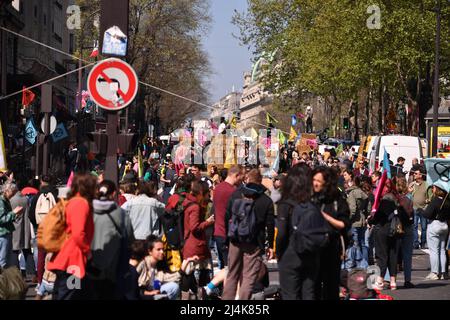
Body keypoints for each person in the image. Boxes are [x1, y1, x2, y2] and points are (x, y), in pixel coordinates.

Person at [222, 169, 275, 300]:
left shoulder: (236, 194)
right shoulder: (266, 200)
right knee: (249, 277)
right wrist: (270, 246)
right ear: (260, 180)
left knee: (232, 274)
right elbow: (270, 225)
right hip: (254, 243)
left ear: (247, 179)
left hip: (235, 240)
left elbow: (226, 216)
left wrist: (228, 238)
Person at [48, 173, 97, 300]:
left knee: (70, 292)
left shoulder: (73, 202)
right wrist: (88, 251)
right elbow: (78, 233)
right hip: (73, 260)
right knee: (70, 293)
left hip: (68, 257)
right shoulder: (81, 203)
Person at [276, 164, 321, 300]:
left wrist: (279, 252)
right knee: (309, 293)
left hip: (291, 253)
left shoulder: (286, 203)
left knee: (290, 294)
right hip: (312, 252)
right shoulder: (315, 201)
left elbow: (282, 233)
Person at [89, 180, 135, 299]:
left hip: (90, 267)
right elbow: (130, 238)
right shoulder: (120, 214)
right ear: (114, 193)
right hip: (114, 268)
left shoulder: (87, 211)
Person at [311, 167, 350, 300]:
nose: (315, 183)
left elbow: (343, 224)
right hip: (312, 249)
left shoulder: (337, 200)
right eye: (313, 180)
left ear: (326, 183)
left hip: (332, 249)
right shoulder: (311, 197)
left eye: (318, 181)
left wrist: (324, 216)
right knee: (312, 287)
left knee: (331, 287)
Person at [180, 180, 215, 300]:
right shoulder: (195, 207)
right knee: (200, 275)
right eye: (206, 194)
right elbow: (194, 227)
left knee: (188, 275)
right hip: (196, 245)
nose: (208, 197)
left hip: (190, 243)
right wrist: (208, 222)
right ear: (201, 193)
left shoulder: (188, 203)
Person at [368, 179, 401, 291]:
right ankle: (393, 282)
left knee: (381, 255)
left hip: (382, 230)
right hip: (395, 231)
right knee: (393, 255)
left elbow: (378, 218)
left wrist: (371, 218)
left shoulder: (385, 201)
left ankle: (380, 281)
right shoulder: (397, 199)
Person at [212, 165, 243, 269]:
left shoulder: (217, 188)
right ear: (236, 175)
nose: (241, 181)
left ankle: (218, 285)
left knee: (224, 267)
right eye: (241, 178)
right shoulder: (233, 192)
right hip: (228, 233)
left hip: (218, 231)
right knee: (230, 269)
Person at [137, 235, 181, 300]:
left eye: (163, 249)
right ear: (150, 251)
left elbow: (167, 277)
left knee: (174, 287)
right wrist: (149, 293)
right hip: (142, 295)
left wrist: (182, 270)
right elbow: (134, 287)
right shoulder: (142, 264)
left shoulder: (159, 264)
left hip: (153, 292)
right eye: (158, 249)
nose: (162, 252)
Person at [423, 184, 450, 280]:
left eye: (434, 188)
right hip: (444, 225)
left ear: (437, 189)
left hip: (435, 225)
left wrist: (421, 210)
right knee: (442, 250)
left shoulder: (435, 200)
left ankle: (434, 272)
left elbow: (427, 214)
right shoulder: (447, 201)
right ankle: (443, 272)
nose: (432, 189)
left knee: (434, 250)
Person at [343, 176, 370, 270]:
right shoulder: (363, 193)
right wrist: (365, 216)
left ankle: (360, 266)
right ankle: (365, 264)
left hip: (354, 221)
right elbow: (368, 209)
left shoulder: (352, 193)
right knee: (363, 244)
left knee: (355, 244)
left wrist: (348, 219)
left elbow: (352, 209)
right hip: (362, 221)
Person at [10, 184, 35, 280]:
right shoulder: (25, 199)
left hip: (15, 228)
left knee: (14, 251)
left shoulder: (12, 200)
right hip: (25, 227)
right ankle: (32, 273)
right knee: (27, 250)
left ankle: (16, 274)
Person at [396, 177, 415, 288]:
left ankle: (391, 279)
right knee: (407, 255)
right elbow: (412, 213)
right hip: (408, 226)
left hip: (397, 227)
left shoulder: (396, 198)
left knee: (393, 253)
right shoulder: (409, 197)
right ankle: (407, 280)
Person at [0, 183, 23, 268]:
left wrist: (15, 214)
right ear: (7, 190)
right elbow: (1, 219)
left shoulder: (5, 200)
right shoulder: (1, 201)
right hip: (3, 234)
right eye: (12, 192)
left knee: (5, 259)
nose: (13, 195)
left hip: (5, 233)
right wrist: (13, 213)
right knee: (3, 261)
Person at [408, 165, 431, 249]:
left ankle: (423, 243)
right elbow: (407, 197)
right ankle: (415, 243)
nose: (414, 175)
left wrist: (427, 202)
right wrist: (409, 192)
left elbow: (430, 197)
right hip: (414, 209)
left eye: (415, 173)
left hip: (423, 209)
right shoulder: (412, 184)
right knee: (414, 226)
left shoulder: (427, 185)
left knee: (424, 227)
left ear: (420, 175)